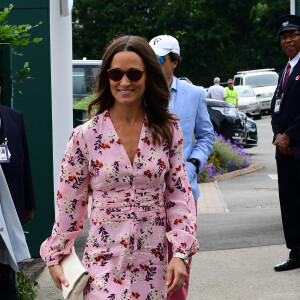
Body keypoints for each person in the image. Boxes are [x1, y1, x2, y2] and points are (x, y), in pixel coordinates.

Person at [40, 35, 199, 299]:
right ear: (107, 77)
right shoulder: (85, 136)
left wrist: (180, 252)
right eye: (116, 73)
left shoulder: (168, 130)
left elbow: (179, 196)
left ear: (148, 76)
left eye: (134, 74)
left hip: (153, 264)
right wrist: (57, 254)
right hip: (102, 263)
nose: (124, 82)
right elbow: (70, 202)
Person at [149, 35, 214, 299]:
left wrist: (193, 163)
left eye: (160, 58)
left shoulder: (195, 94)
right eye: (150, 58)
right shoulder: (140, 92)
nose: (154, 63)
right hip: (147, 195)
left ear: (174, 62)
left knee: (179, 263)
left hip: (184, 193)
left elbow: (206, 135)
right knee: (149, 266)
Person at [271, 14, 300, 272]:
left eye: (293, 35)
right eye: (284, 36)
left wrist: (290, 134)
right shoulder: (286, 69)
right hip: (285, 149)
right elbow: (276, 107)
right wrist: (278, 135)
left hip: (298, 144)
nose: (288, 40)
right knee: (289, 202)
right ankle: (296, 252)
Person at [0, 101, 36, 298]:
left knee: (6, 271)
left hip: (10, 211)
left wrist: (28, 204)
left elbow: (25, 164)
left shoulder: (14, 117)